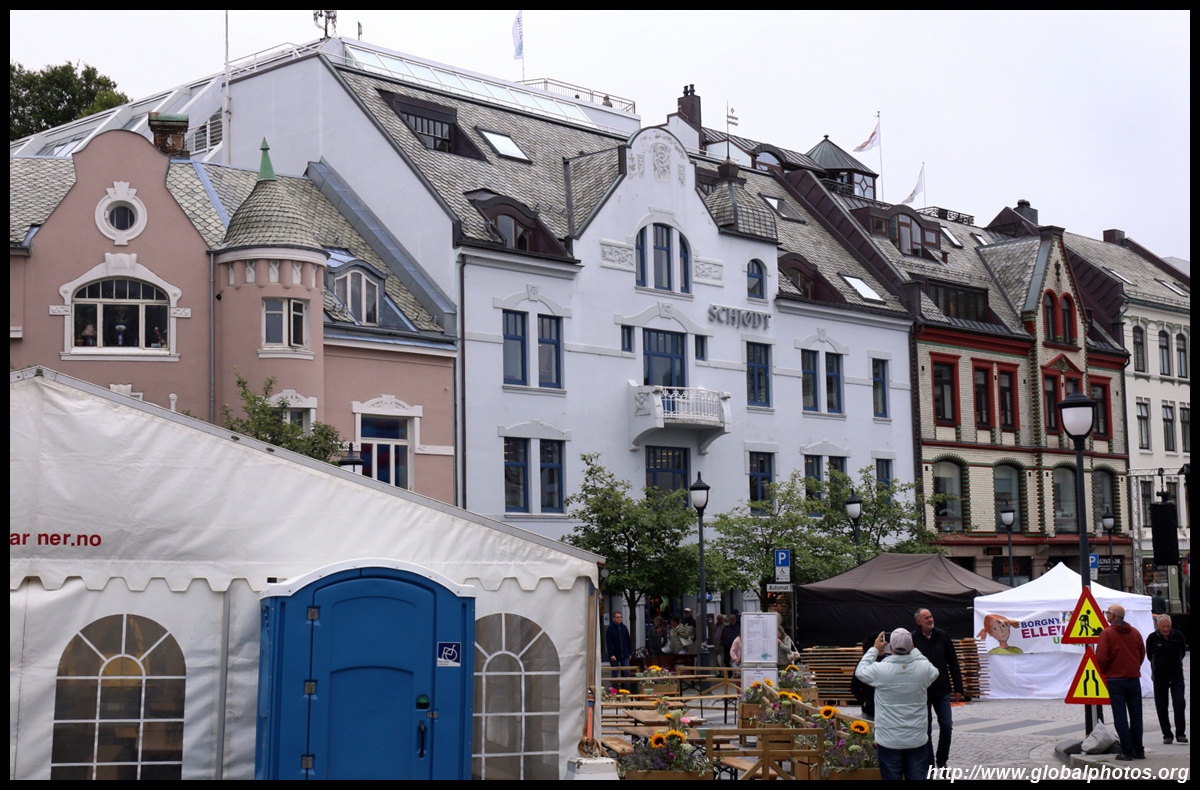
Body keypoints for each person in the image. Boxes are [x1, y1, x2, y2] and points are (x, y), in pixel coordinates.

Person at [855, 628, 939, 780]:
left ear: (890, 647)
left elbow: (860, 671)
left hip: (889, 739)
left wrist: (874, 649)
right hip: (916, 738)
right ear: (911, 646)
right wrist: (914, 651)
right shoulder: (923, 670)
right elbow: (933, 670)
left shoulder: (880, 670)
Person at [914, 608, 967, 771]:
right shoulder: (913, 638)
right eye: (926, 618)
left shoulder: (942, 635)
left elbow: (953, 662)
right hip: (922, 691)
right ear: (919, 622)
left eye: (931, 616)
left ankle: (942, 760)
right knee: (926, 729)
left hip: (942, 688)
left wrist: (958, 687)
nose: (930, 620)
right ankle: (929, 763)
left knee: (946, 725)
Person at [1095, 603, 1145, 760]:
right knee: (1136, 715)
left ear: (1112, 616)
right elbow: (1141, 653)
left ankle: (1127, 751)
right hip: (1133, 677)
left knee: (1120, 716)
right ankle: (1139, 749)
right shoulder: (1135, 632)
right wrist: (1134, 666)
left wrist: (1106, 670)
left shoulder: (1107, 633)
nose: (1106, 615)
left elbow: (1101, 657)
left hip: (1115, 679)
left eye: (1107, 613)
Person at [1145, 614, 1188, 744]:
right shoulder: (1152, 638)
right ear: (1157, 626)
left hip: (1177, 676)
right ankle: (1167, 735)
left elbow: (1182, 653)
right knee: (1162, 706)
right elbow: (1149, 655)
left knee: (1179, 704)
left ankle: (1180, 733)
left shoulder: (1178, 636)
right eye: (1163, 626)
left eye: (1168, 626)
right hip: (1159, 677)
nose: (1166, 629)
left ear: (1171, 625)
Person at [605, 611, 632, 685]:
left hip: (625, 654)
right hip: (615, 654)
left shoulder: (624, 628)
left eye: (620, 617)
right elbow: (609, 643)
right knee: (615, 673)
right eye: (617, 617)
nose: (619, 619)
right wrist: (611, 654)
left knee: (626, 672)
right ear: (613, 618)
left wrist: (629, 653)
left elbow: (628, 640)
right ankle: (615, 689)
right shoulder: (610, 629)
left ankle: (626, 688)